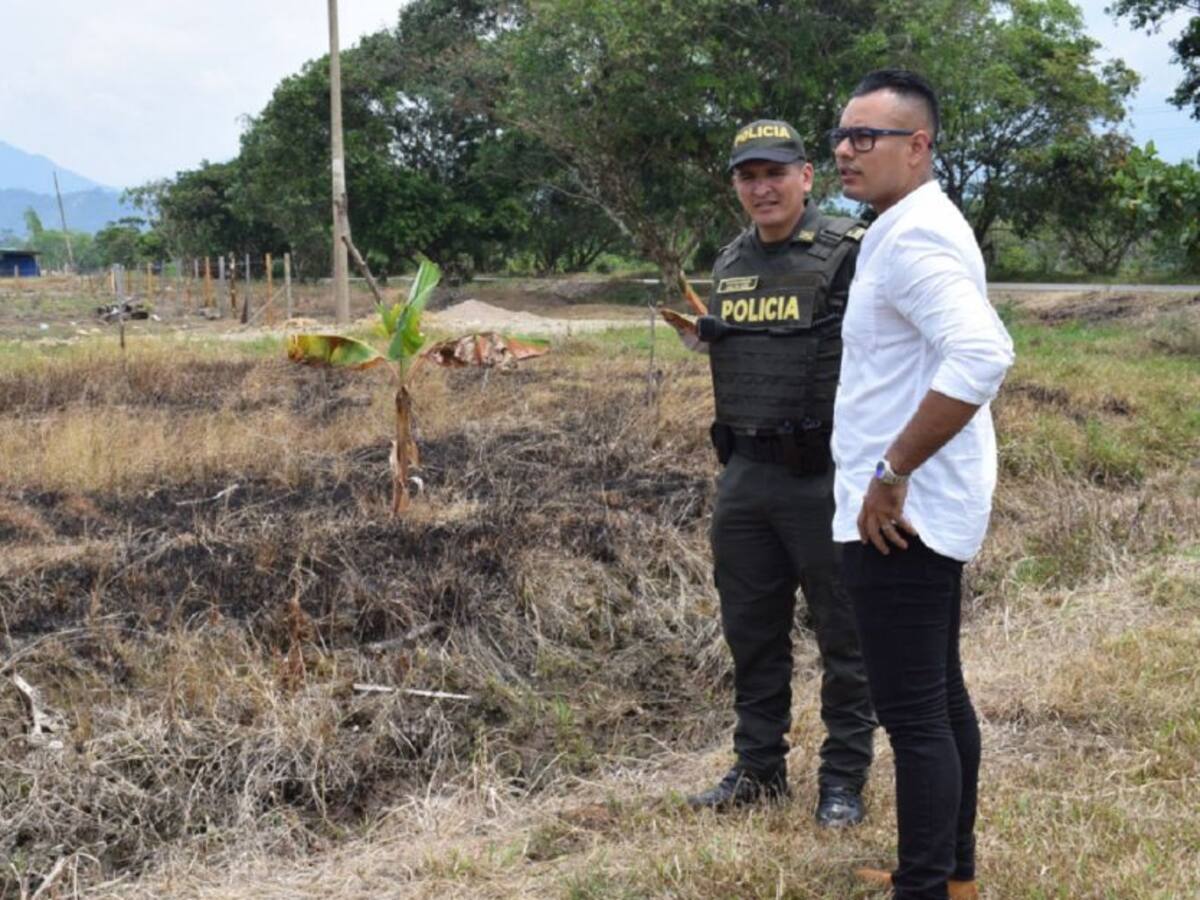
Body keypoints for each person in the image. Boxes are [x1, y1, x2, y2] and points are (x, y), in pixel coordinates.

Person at [828, 70, 1014, 899]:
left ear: (918, 145)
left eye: (866, 136)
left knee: (914, 716)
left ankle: (928, 885)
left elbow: (983, 354)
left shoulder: (914, 237)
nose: (844, 150)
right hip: (920, 511)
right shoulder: (903, 226)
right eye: (839, 134)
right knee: (938, 699)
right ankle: (948, 873)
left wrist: (892, 473)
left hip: (901, 518)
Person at [677, 119, 876, 827]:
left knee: (845, 635)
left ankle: (843, 782)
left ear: (806, 177)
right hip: (746, 476)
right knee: (751, 632)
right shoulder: (731, 262)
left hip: (824, 477)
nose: (762, 187)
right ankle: (758, 769)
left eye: (775, 173)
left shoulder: (852, 251)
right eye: (748, 176)